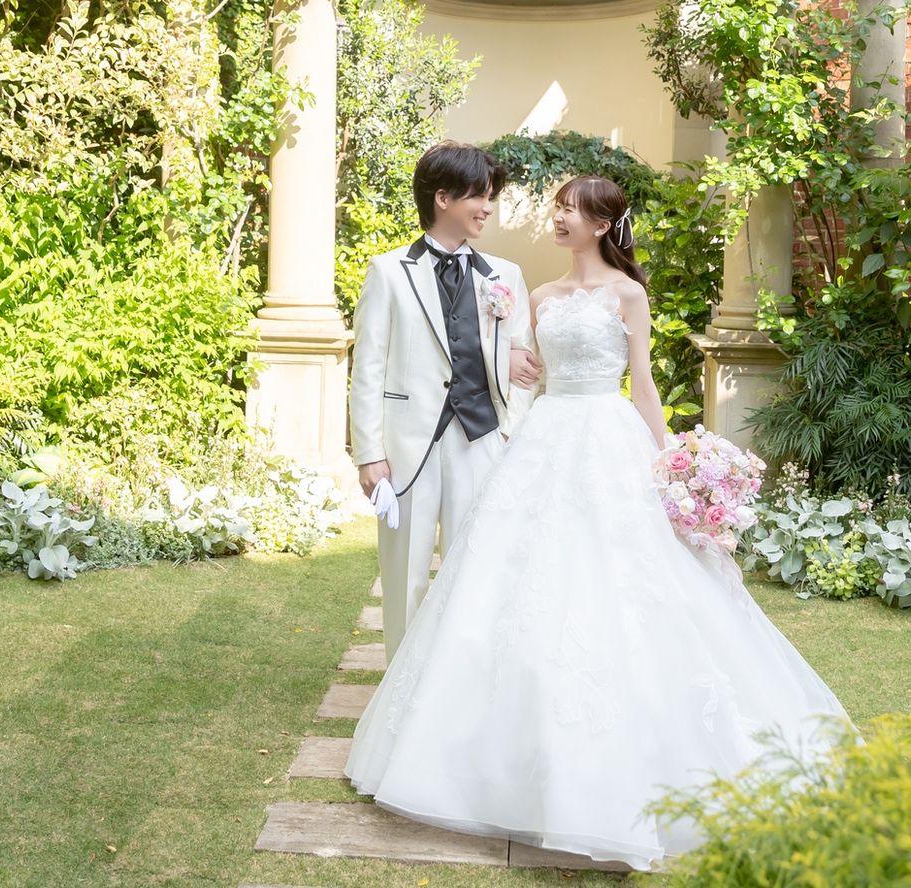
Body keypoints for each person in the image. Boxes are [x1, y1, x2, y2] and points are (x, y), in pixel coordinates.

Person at [345, 175, 851, 871]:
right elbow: (516, 371)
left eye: (572, 210)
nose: (559, 218)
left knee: (623, 579)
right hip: (544, 438)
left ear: (605, 224)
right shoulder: (537, 295)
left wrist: (670, 463)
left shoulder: (628, 293)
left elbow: (642, 383)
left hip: (609, 438)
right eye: (558, 207)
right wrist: (513, 376)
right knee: (513, 582)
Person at [349, 142, 541, 662]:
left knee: (475, 571)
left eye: (489, 197)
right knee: (405, 577)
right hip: (409, 444)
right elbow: (367, 369)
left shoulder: (504, 276)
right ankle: (400, 687)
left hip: (481, 438)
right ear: (443, 198)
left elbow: (523, 364)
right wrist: (369, 454)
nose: (487, 208)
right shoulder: (388, 271)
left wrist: (508, 430)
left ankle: (462, 682)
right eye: (479, 196)